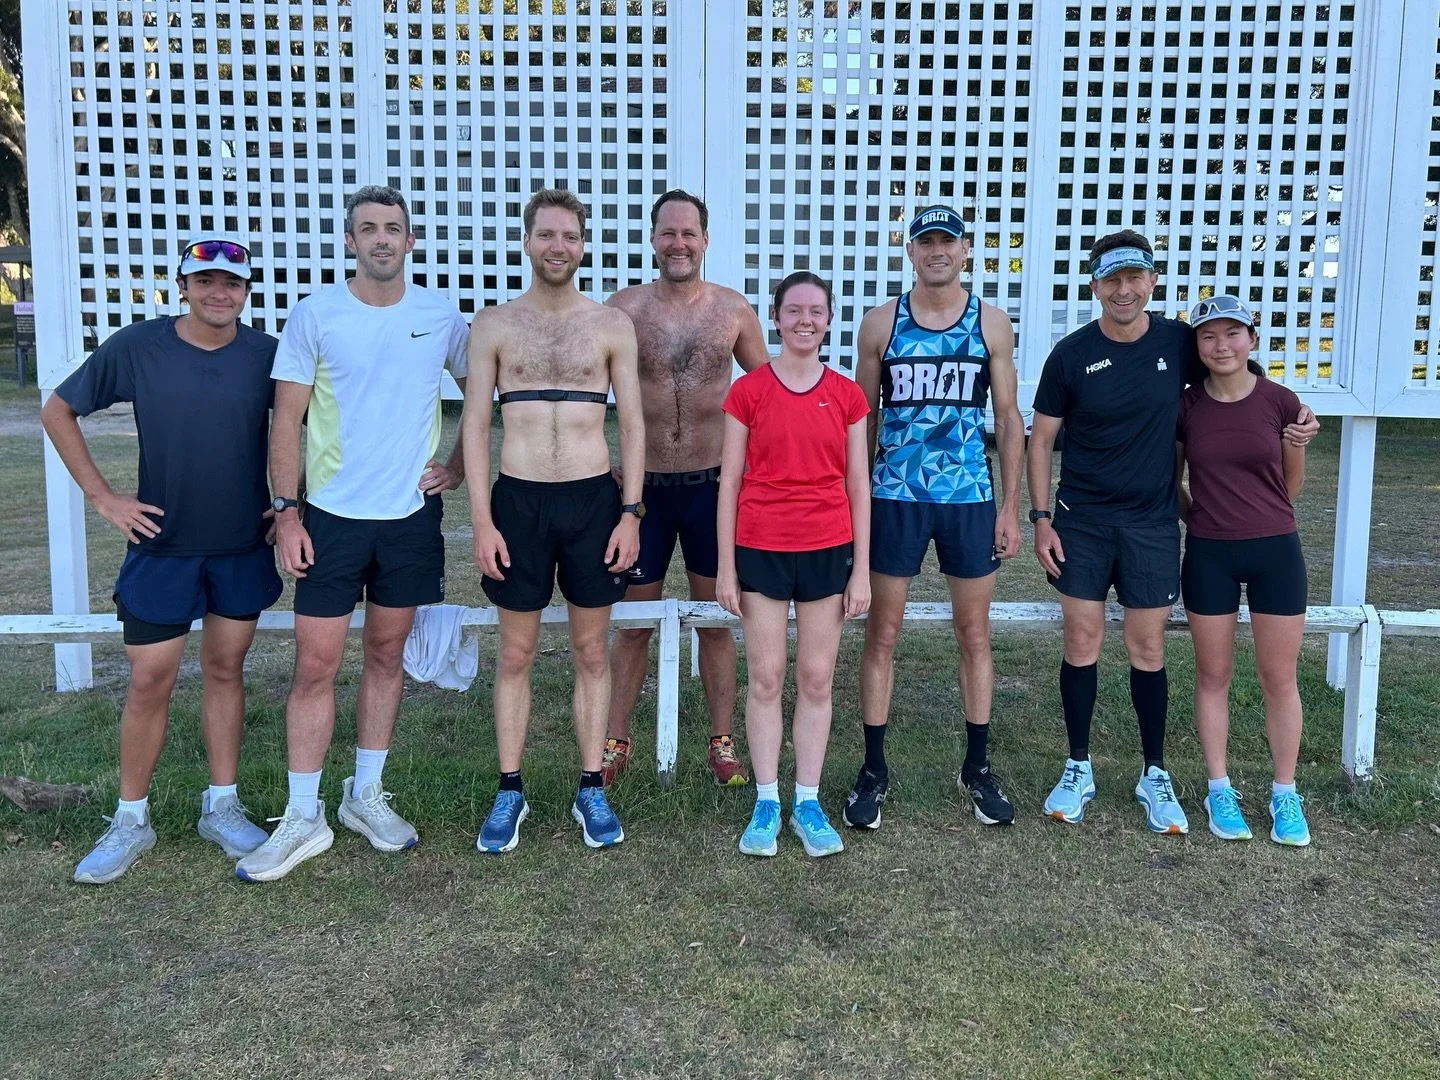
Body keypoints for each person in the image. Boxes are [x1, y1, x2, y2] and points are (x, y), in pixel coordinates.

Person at [1026, 231, 1318, 833]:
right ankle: (1078, 765)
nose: (1124, 290)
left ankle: (1153, 773)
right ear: (1095, 287)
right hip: (1081, 519)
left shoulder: (1178, 343)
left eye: (1135, 278)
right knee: (1080, 643)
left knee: (1148, 648)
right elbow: (1041, 439)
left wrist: (1295, 418)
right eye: (1112, 280)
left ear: (1152, 282)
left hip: (1153, 525)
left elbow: (1231, 372)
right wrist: (1040, 517)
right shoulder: (1071, 354)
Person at [236, 186, 471, 882]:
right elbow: (286, 420)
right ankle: (301, 814)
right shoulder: (316, 315)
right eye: (367, 228)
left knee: (387, 656)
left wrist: (455, 463)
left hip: (409, 519)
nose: (380, 239)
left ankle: (363, 795)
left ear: (411, 239)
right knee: (314, 667)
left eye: (392, 228)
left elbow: (482, 392)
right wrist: (286, 511)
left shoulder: (440, 315)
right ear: (348, 241)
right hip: (331, 518)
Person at [41, 236, 282, 883]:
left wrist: (294, 502)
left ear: (246, 291)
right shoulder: (138, 347)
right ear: (183, 285)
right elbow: (58, 409)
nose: (218, 292)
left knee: (226, 670)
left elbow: (307, 426)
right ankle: (130, 819)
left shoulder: (266, 354)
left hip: (239, 545)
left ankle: (222, 808)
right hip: (162, 549)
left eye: (232, 283)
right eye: (205, 281)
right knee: (150, 680)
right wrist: (103, 496)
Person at [463, 188, 644, 853]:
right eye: (546, 235)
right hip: (519, 503)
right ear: (527, 241)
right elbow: (477, 426)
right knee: (515, 652)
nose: (558, 246)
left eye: (569, 236)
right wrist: (482, 521)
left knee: (591, 650)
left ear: (584, 244)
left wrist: (631, 513)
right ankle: (510, 788)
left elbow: (634, 422)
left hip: (593, 504)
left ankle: (589, 784)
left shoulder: (610, 325)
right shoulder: (495, 324)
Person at [844, 205, 1025, 831]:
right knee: (882, 635)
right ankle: (873, 768)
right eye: (927, 242)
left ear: (966, 249)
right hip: (895, 495)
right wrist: (856, 502)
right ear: (911, 251)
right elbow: (861, 419)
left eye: (948, 241)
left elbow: (1007, 420)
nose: (937, 252)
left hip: (968, 498)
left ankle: (976, 766)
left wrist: (1009, 508)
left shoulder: (991, 323)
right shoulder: (881, 323)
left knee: (973, 635)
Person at [601, 190, 769, 787]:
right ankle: (615, 738)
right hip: (642, 495)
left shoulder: (731, 311)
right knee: (634, 620)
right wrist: (604, 462)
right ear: (652, 239)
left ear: (705, 240)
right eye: (667, 233)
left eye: (688, 233)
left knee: (716, 616)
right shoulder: (622, 310)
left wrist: (757, 468)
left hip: (711, 488)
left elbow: (767, 392)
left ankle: (721, 741)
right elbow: (585, 393)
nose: (678, 243)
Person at [716, 271, 871, 858]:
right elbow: (729, 483)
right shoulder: (748, 391)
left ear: (829, 321)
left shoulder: (849, 395)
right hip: (761, 549)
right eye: (794, 310)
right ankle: (766, 802)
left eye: (817, 311)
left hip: (828, 550)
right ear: (776, 317)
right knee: (765, 677)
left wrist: (860, 570)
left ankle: (807, 799)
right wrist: (727, 568)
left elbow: (859, 486)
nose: (805, 320)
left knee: (815, 677)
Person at [1177, 295, 1312, 846]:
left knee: (1278, 677)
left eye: (1233, 333)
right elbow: (1173, 481)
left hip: (1276, 551)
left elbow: (1291, 486)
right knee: (1213, 676)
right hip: (1210, 552)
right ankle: (1218, 789)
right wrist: (1202, 517)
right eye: (1209, 336)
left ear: (1252, 340)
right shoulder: (1186, 406)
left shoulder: (1281, 402)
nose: (1221, 345)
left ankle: (1285, 793)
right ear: (1198, 347)